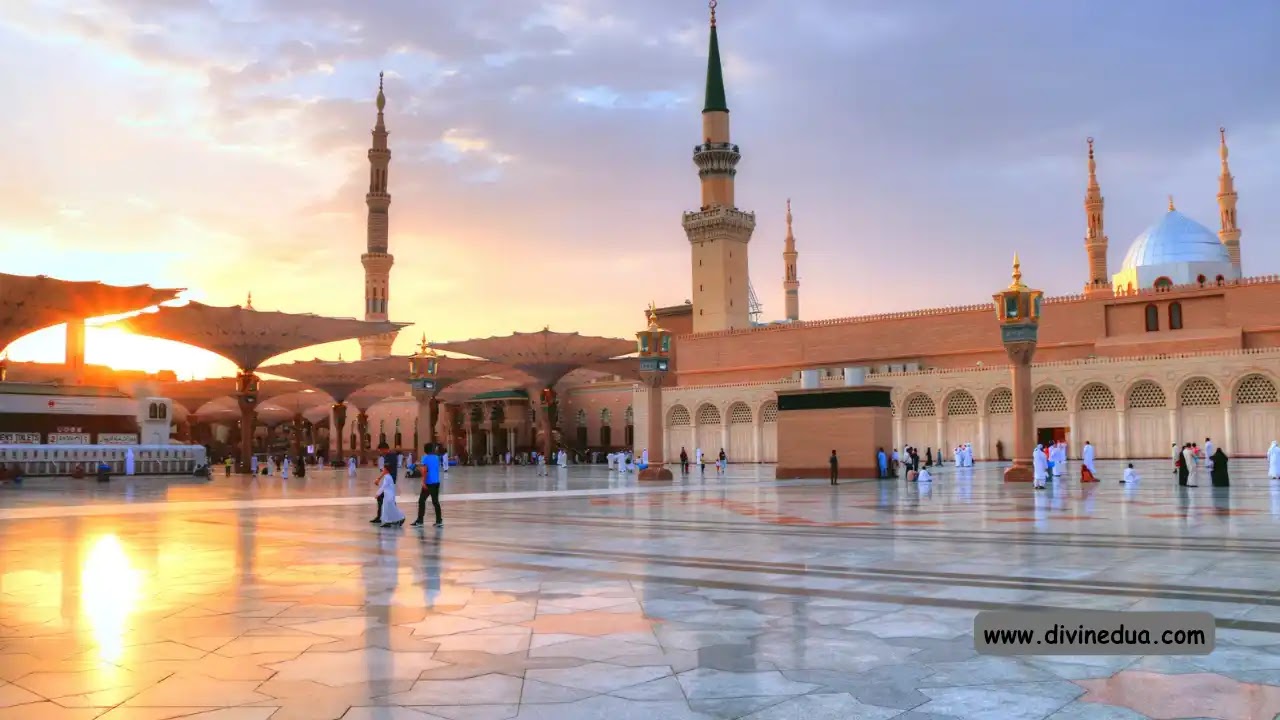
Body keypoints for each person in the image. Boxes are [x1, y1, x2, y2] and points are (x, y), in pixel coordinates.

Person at [413, 443, 444, 528]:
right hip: (436, 482)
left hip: (428, 482)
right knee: (435, 502)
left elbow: (425, 470)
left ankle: (420, 520)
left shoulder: (425, 458)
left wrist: (423, 482)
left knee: (421, 501)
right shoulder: (437, 457)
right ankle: (439, 520)